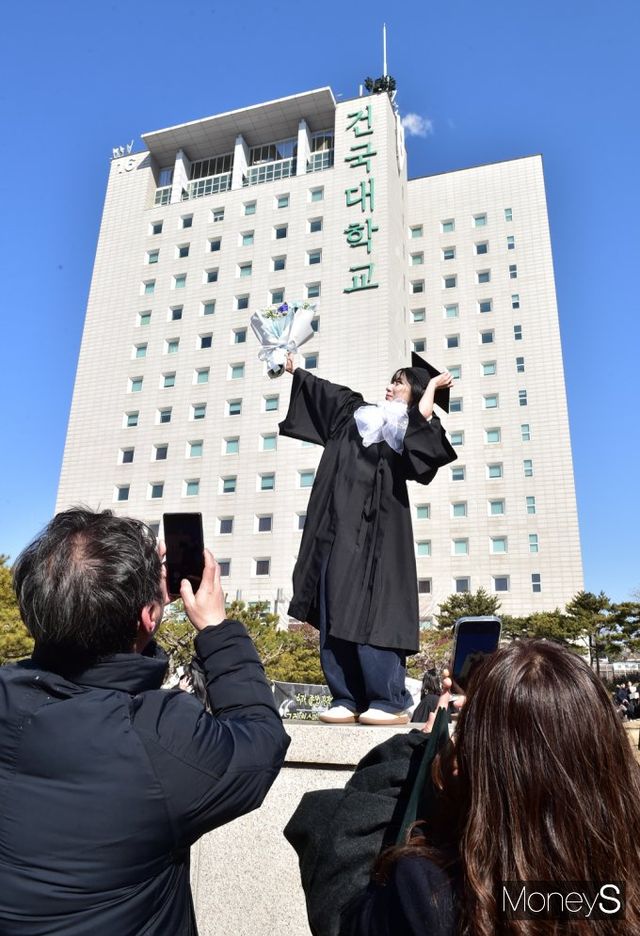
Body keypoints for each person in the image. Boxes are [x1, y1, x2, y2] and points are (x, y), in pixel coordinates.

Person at [1, 508, 289, 936]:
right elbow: (260, 742)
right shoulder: (156, 737)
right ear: (149, 618)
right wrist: (216, 627)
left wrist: (141, 613)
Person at [338, 640, 640, 935]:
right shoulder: (611, 892)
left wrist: (420, 749)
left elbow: (344, 897)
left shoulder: (431, 894)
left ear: (476, 762)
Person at [279, 355, 456, 725]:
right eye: (391, 380)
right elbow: (321, 391)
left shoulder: (409, 429)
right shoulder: (354, 412)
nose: (389, 387)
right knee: (334, 607)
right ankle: (346, 697)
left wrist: (427, 395)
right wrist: (293, 368)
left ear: (414, 393)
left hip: (381, 540)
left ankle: (388, 699)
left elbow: (424, 455)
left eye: (399, 383)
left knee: (376, 612)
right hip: (337, 532)